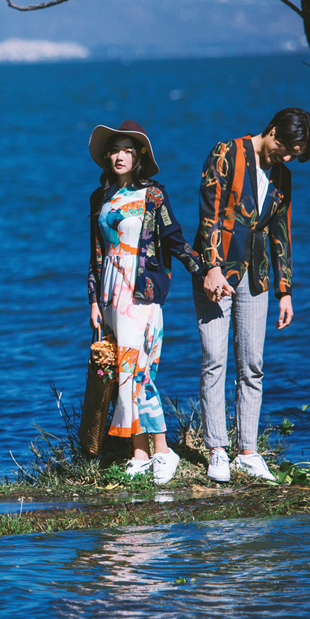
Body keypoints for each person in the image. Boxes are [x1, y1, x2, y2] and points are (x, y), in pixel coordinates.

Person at [192, 107, 310, 482]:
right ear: (274, 132)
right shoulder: (226, 153)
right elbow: (209, 213)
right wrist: (211, 267)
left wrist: (286, 292)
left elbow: (282, 231)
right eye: (288, 149)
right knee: (214, 358)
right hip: (216, 272)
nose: (290, 157)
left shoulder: (283, 175)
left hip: (257, 277)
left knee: (252, 364)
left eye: (296, 154)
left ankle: (247, 450)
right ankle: (217, 449)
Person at [87, 121, 203, 484]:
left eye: (127, 150)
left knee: (140, 373)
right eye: (114, 150)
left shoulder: (153, 195)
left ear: (138, 157)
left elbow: (174, 239)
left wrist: (204, 270)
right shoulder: (100, 199)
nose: (119, 156)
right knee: (122, 373)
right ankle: (138, 453)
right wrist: (93, 299)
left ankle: (163, 451)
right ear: (107, 157)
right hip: (109, 294)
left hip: (141, 293)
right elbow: (95, 255)